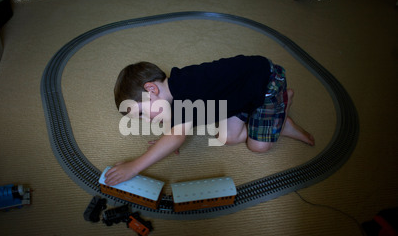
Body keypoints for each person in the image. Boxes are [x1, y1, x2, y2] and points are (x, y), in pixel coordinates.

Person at [104, 55, 314, 186]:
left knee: (258, 146)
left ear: (151, 89)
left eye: (141, 113)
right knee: (226, 137)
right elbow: (175, 127)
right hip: (241, 96)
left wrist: (133, 167)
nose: (146, 120)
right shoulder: (170, 94)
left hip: (266, 82)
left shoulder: (185, 88)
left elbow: (176, 136)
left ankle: (283, 111)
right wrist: (164, 143)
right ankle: (272, 115)